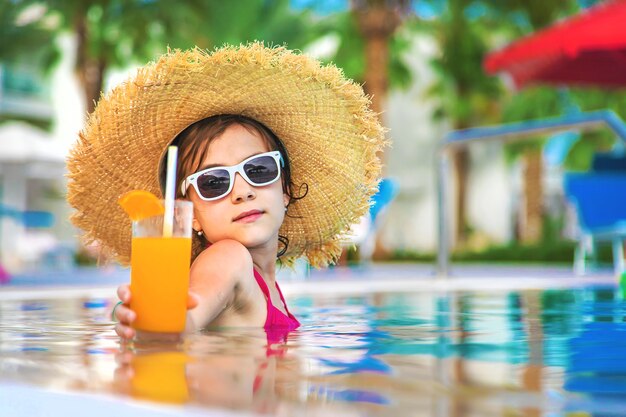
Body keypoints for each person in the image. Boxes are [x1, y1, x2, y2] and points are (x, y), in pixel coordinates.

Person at [66, 43, 385, 341]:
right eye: (214, 182)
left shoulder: (266, 284)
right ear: (189, 216)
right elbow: (189, 315)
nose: (242, 192)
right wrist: (154, 319)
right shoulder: (228, 259)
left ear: (285, 190)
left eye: (259, 170)